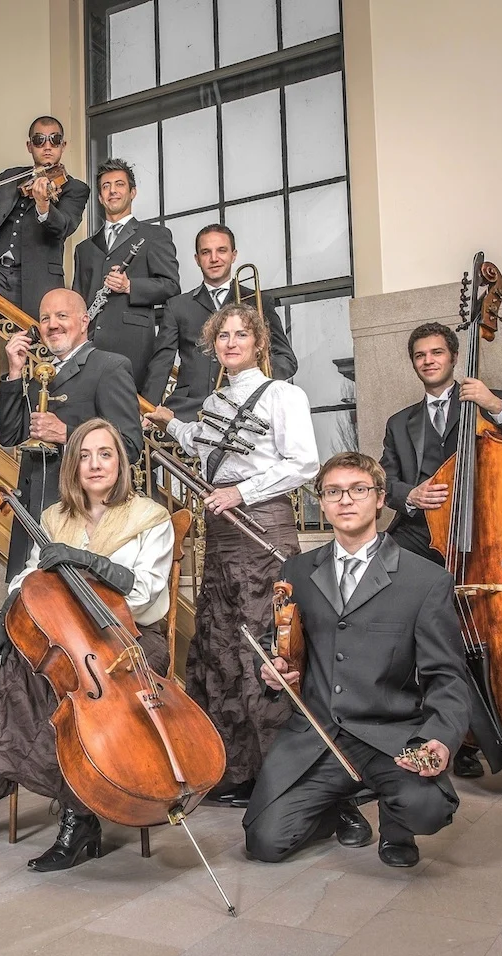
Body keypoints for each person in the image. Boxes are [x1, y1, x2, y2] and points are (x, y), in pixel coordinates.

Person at [0, 419, 175, 872]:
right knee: (8, 659)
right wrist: (6, 617)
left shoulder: (149, 517)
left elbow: (142, 595)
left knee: (49, 687)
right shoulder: (55, 517)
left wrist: (85, 560)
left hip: (129, 640)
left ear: (121, 462)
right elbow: (30, 578)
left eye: (105, 454)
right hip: (65, 637)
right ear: (71, 464)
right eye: (84, 455)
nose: (95, 464)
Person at [243, 452, 470, 868]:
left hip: (390, 738)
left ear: (380, 499)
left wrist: (440, 737)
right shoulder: (296, 569)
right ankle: (339, 803)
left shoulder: (425, 579)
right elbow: (277, 637)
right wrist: (273, 670)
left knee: (427, 809)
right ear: (323, 503)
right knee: (265, 842)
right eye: (333, 492)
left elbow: (447, 676)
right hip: (318, 736)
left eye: (358, 489)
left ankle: (394, 820)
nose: (345, 500)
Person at [145, 303, 318, 808]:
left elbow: (303, 462)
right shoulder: (217, 401)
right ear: (213, 345)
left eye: (242, 334)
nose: (232, 343)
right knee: (220, 645)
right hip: (221, 536)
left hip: (262, 527)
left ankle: (277, 771)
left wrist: (243, 493)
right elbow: (207, 451)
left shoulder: (285, 394)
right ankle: (235, 769)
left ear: (259, 342)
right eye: (223, 336)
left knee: (262, 643)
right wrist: (169, 424)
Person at [379, 321, 502, 778]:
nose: (429, 360)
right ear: (414, 363)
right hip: (419, 533)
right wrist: (410, 495)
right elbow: (385, 481)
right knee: (393, 611)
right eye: (420, 355)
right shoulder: (399, 422)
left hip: (482, 531)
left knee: (468, 631)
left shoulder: (487, 402)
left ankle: (467, 739)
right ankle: (402, 720)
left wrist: (494, 405)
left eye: (436, 353)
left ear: (452, 357)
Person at [0, 288, 142, 578]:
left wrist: (68, 435)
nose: (52, 324)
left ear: (84, 321)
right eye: (45, 318)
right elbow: (10, 435)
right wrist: (14, 372)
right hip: (31, 513)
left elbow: (131, 446)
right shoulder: (41, 374)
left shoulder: (110, 367)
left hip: (80, 512)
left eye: (62, 316)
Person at [0, 116, 89, 319]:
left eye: (54, 140)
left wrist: (44, 206)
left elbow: (64, 226)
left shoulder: (75, 189)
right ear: (30, 146)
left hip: (34, 280)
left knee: (28, 342)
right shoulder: (12, 177)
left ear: (63, 146)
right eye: (39, 140)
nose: (47, 146)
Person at [72, 158, 180, 403]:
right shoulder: (84, 248)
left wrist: (130, 286)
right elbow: (77, 297)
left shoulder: (154, 236)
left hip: (133, 346)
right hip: (88, 347)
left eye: (119, 184)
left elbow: (171, 286)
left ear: (132, 192)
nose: (113, 191)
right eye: (106, 186)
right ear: (100, 197)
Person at [161, 224, 296, 420]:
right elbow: (161, 363)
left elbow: (287, 359)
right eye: (206, 252)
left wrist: (255, 376)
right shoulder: (177, 306)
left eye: (221, 250)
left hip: (245, 407)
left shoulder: (258, 301)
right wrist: (149, 407)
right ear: (197, 260)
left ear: (234, 255)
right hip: (189, 410)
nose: (214, 258)